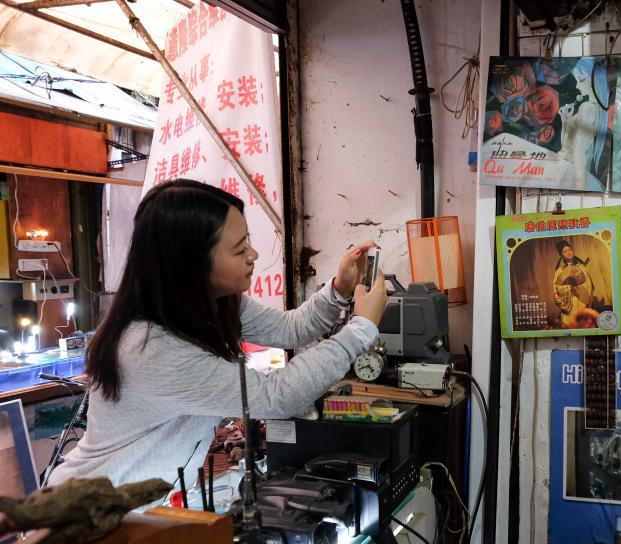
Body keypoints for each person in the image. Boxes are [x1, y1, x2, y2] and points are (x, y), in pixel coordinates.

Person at [47, 180, 388, 491]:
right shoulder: (152, 349)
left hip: (140, 512)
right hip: (87, 519)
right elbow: (277, 395)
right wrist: (360, 328)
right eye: (240, 250)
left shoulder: (212, 305)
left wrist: (339, 290)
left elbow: (290, 329)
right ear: (192, 263)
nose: (253, 256)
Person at [557, 58, 608, 191]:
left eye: (581, 80)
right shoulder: (592, 109)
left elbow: (580, 150)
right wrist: (565, 121)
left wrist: (581, 187)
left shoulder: (588, 108)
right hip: (566, 167)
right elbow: (568, 145)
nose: (577, 86)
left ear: (594, 81)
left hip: (568, 169)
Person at [552, 240, 596, 328]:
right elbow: (556, 289)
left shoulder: (581, 267)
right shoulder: (559, 271)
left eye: (570, 250)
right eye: (565, 251)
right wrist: (567, 288)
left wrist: (583, 293)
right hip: (569, 302)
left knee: (583, 322)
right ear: (561, 255)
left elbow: (589, 285)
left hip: (581, 299)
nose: (568, 253)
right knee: (570, 323)